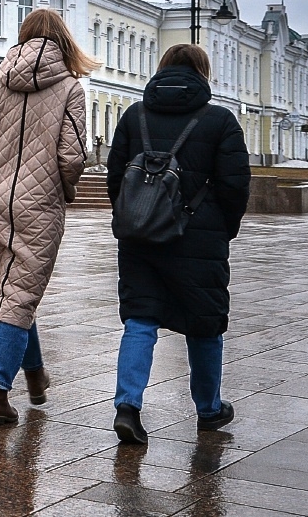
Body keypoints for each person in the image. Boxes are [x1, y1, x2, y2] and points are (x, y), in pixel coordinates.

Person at [0, 8, 96, 426]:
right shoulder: (70, 88)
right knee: (19, 294)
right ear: (63, 40)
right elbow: (72, 156)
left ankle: (35, 375)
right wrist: (63, 189)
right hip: (39, 205)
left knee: (16, 292)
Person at [106, 43, 249, 444]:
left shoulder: (135, 116)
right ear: (202, 73)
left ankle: (128, 406)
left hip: (140, 237)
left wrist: (136, 214)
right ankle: (209, 409)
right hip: (198, 238)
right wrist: (222, 229)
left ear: (162, 70)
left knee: (140, 318)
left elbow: (115, 176)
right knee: (204, 324)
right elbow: (235, 186)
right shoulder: (220, 120)